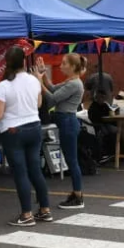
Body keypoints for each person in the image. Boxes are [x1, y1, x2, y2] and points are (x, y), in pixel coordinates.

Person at [0, 46, 52, 226]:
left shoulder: (3, 85)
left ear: (6, 63)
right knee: (35, 169)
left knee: (20, 172)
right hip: (34, 126)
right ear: (24, 61)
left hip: (13, 130)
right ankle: (45, 209)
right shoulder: (33, 81)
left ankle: (26, 214)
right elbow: (39, 102)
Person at [38, 53, 87, 210]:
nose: (61, 65)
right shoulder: (70, 81)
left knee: (72, 160)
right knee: (70, 159)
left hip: (68, 121)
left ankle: (78, 196)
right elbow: (52, 88)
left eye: (64, 63)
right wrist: (43, 75)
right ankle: (76, 192)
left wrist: (39, 81)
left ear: (73, 67)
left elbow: (52, 98)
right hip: (65, 121)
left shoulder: (75, 84)